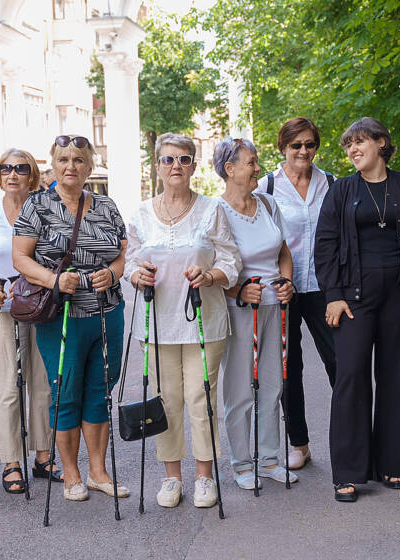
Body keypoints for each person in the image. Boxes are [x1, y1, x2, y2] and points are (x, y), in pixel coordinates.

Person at [124, 133, 241, 509]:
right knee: (167, 400)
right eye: (168, 160)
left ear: (194, 165)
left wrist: (211, 277)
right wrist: (134, 274)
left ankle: (205, 475)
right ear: (157, 166)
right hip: (156, 323)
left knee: (199, 396)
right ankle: (172, 476)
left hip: (204, 320)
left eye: (184, 160)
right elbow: (128, 262)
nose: (176, 166)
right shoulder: (140, 214)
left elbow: (231, 261)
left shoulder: (211, 210)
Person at [314, 117, 400, 502]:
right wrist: (333, 294)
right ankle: (347, 471)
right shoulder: (342, 191)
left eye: (359, 142)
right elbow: (325, 244)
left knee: (397, 378)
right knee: (351, 379)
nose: (352, 150)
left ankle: (393, 464)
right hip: (353, 300)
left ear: (381, 142)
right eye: (348, 145)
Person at [12, 135, 128, 502]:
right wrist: (53, 280)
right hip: (61, 314)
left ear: (90, 167)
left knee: (100, 390)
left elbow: (123, 254)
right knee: (65, 391)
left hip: (107, 311)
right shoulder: (38, 206)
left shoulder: (107, 206)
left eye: (79, 159)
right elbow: (20, 258)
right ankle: (71, 474)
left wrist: (112, 273)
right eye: (63, 159)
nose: (71, 166)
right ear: (53, 165)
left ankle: (98, 472)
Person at [0, 148, 61, 494]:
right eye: (5, 168)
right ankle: (11, 461)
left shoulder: (45, 210)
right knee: (7, 387)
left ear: (31, 175)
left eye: (21, 168)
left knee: (41, 384)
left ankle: (42, 455)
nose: (12, 174)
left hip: (40, 306)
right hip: (1, 308)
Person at [215, 138, 298, 490]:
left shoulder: (267, 203)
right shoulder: (216, 211)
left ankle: (268, 460)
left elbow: (282, 252)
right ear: (229, 169)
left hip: (274, 306)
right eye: (250, 162)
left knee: (273, 385)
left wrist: (288, 282)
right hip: (238, 309)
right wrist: (236, 290)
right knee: (239, 390)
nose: (257, 169)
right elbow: (211, 267)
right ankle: (240, 463)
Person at [255, 117, 336, 470]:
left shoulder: (331, 183)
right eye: (296, 145)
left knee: (341, 364)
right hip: (282, 287)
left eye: (310, 144)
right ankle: (299, 443)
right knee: (290, 368)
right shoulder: (266, 187)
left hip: (324, 286)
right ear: (283, 148)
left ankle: (354, 440)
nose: (304, 151)